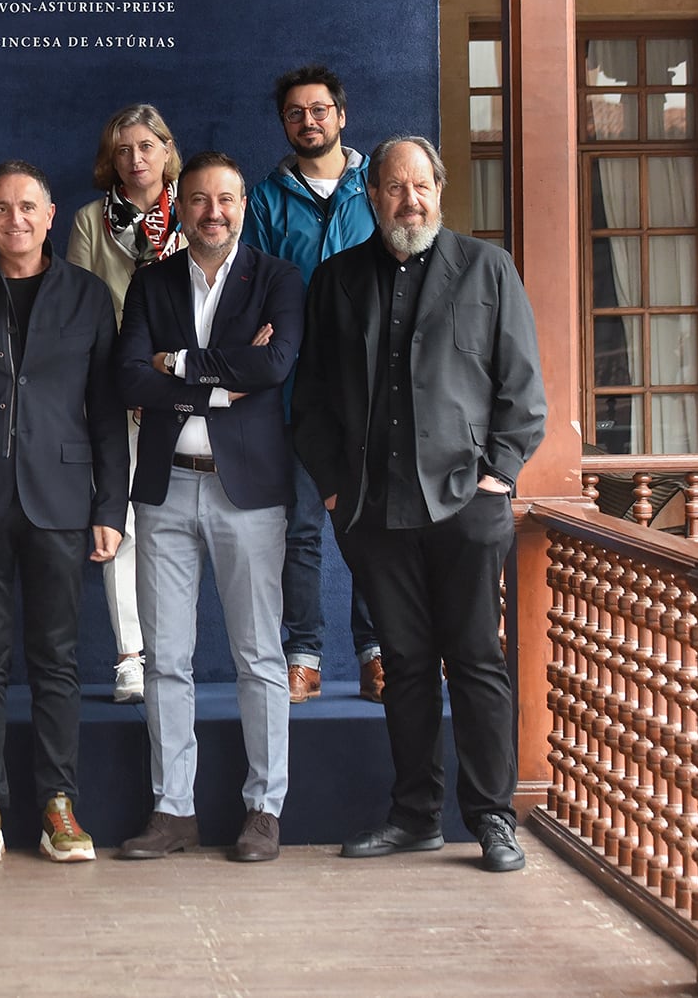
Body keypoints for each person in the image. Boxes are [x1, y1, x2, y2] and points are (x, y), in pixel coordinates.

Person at [294, 136, 545, 874]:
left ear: (439, 189)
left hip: (467, 508)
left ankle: (491, 820)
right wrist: (335, 489)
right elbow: (308, 400)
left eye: (422, 186)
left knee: (474, 662)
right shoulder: (336, 280)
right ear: (371, 197)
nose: (410, 201)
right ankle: (412, 817)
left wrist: (498, 475)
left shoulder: (486, 268)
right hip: (374, 512)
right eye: (394, 189)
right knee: (403, 666)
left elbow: (522, 389)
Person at [0, 160, 129, 864]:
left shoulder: (88, 296)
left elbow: (102, 412)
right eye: (1, 209)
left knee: (57, 659)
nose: (15, 220)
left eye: (27, 208)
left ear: (50, 215)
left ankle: (57, 804)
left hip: (61, 503)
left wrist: (109, 505)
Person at [113, 152, 303, 864]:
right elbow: (128, 373)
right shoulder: (149, 281)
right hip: (166, 487)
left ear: (243, 205)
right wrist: (221, 378)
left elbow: (274, 366)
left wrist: (179, 364)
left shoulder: (277, 279)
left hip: (247, 491)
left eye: (224, 199)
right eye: (197, 200)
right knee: (165, 659)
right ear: (179, 206)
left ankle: (263, 809)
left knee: (257, 655)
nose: (211, 212)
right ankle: (172, 810)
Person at [242, 65, 383, 705]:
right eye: (296, 112)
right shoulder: (267, 200)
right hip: (297, 393)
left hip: (373, 390)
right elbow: (260, 285)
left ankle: (378, 654)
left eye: (320, 109)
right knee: (301, 530)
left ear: (341, 115)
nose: (309, 121)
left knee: (374, 528)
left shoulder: (374, 188)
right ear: (285, 123)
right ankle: (303, 656)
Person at [65, 103, 187, 705]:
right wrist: (126, 377)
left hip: (186, 393)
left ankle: (173, 656)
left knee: (182, 525)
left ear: (166, 150)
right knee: (125, 524)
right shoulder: (90, 221)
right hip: (116, 395)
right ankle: (130, 656)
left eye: (146, 146)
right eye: (122, 150)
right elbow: (77, 313)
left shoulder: (197, 213)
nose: (135, 160)